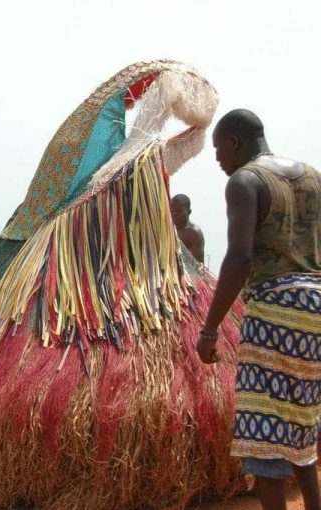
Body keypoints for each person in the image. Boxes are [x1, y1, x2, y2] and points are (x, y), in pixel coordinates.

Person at [196, 109, 321, 510]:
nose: (218, 160)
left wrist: (210, 328)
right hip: (316, 309)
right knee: (301, 425)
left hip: (276, 312)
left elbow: (240, 258)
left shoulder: (245, 181)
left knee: (264, 434)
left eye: (218, 150)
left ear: (235, 141)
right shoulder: (313, 177)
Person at [170, 194, 205, 263]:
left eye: (179, 211)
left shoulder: (193, 233)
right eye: (172, 210)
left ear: (189, 212)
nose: (174, 214)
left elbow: (198, 264)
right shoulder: (168, 230)